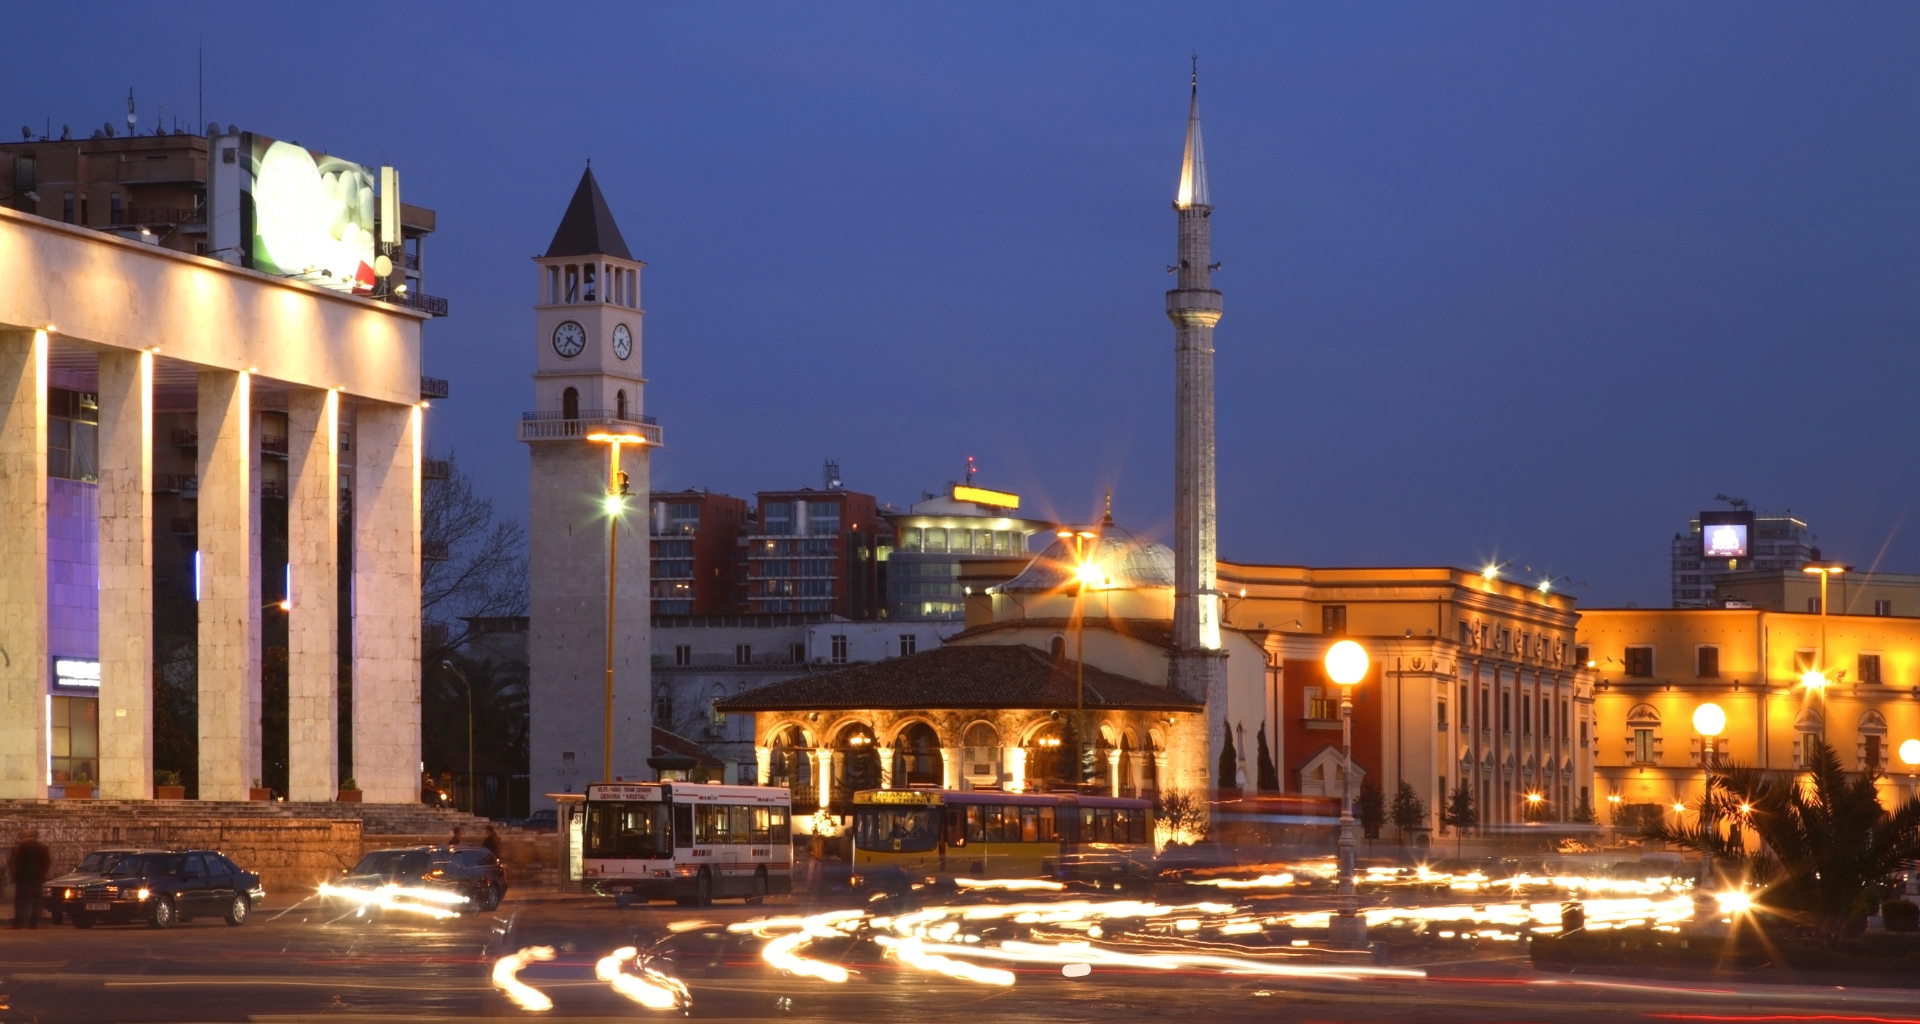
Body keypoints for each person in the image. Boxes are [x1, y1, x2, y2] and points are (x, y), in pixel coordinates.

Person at [9, 829, 50, 929]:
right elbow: (46, 863)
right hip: (37, 878)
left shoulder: (19, 848)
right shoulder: (43, 848)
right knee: (36, 901)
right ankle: (34, 922)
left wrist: (14, 875)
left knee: (21, 901)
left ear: (25, 836)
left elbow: (13, 863)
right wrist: (42, 874)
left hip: (22, 879)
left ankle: (19, 922)